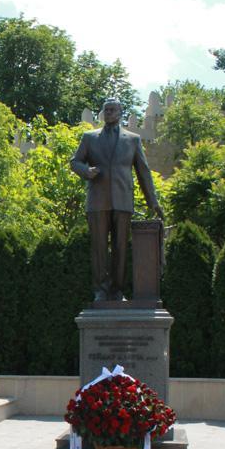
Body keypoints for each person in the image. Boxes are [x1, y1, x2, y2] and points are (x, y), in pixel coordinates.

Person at [70, 97, 164, 302]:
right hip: (97, 201)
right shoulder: (89, 137)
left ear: (121, 113)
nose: (109, 113)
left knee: (121, 247)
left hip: (123, 200)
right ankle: (100, 290)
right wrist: (86, 171)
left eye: (112, 110)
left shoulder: (133, 140)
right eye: (106, 110)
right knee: (99, 248)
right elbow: (75, 161)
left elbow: (143, 172)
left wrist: (153, 201)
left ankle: (117, 290)